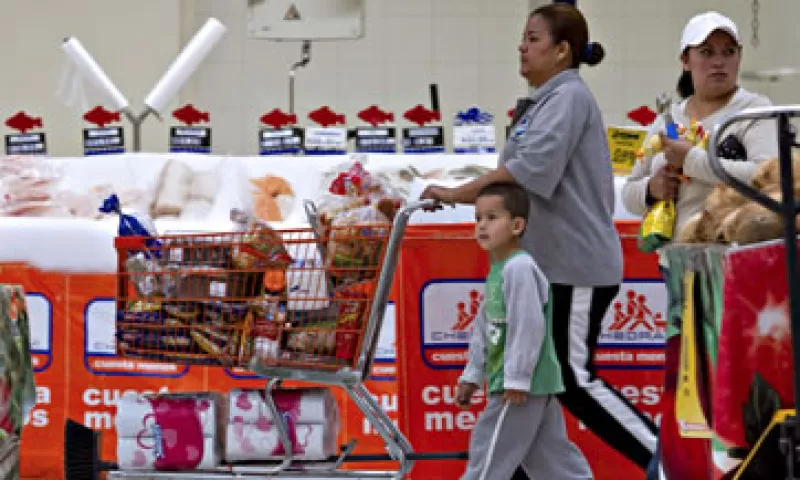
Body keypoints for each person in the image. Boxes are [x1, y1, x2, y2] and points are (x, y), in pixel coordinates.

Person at [421, 3, 658, 475]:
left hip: (577, 265)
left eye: (532, 38)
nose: (521, 47)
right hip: (550, 267)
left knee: (572, 378)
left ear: (562, 50)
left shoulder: (568, 98)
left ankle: (668, 462)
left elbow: (524, 175)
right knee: (535, 386)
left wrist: (454, 194)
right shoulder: (545, 101)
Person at [620, 11, 778, 480]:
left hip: (738, 273)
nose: (718, 63)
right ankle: (677, 467)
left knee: (729, 378)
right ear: (686, 60)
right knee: (684, 376)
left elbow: (772, 177)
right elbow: (629, 190)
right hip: (680, 269)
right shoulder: (666, 118)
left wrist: (692, 160)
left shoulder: (755, 110)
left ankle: (728, 467)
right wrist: (655, 187)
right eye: (706, 53)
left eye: (728, 52)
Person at [455, 182, 592, 480]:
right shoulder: (500, 270)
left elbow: (528, 325)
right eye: (478, 218)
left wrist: (517, 378)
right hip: (529, 382)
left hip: (518, 385)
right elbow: (485, 328)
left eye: (492, 218)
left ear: (517, 225)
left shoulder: (519, 269)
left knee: (488, 449)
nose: (482, 226)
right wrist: (472, 374)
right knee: (553, 460)